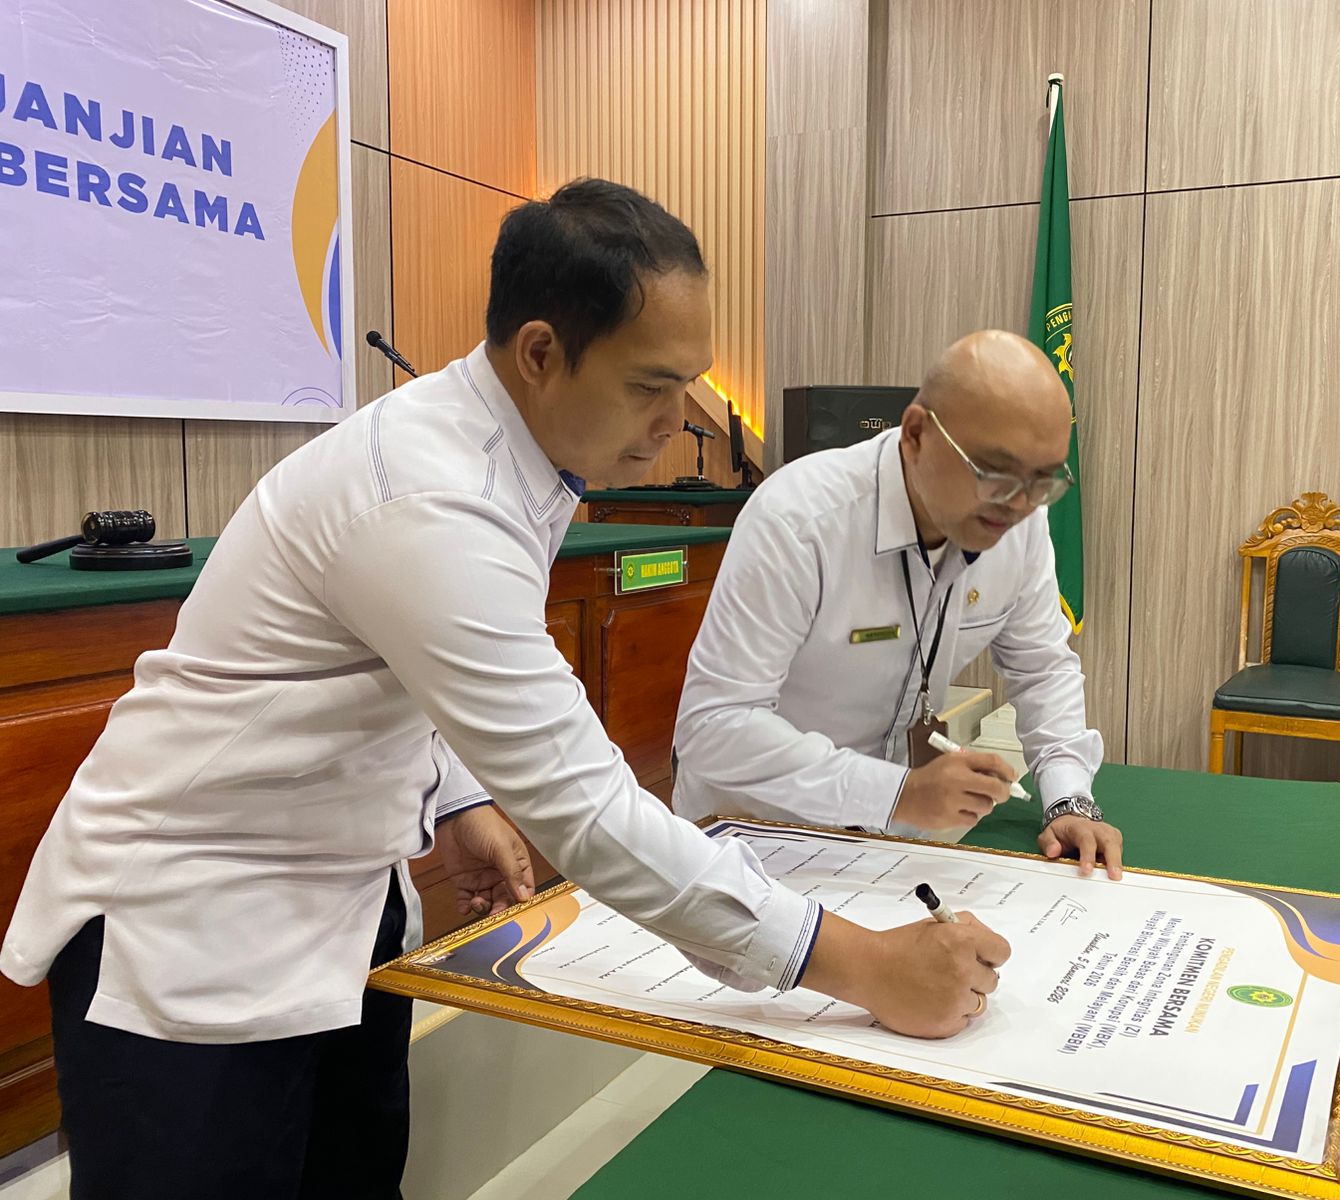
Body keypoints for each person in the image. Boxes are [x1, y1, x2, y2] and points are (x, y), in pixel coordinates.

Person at [0, 180, 1009, 1200]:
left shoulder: (510, 456)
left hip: (337, 909)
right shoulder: (428, 493)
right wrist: (858, 963)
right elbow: (586, 806)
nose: (676, 421)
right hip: (191, 927)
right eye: (651, 386)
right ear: (539, 352)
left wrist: (459, 797)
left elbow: (404, 661)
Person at [674, 330, 1123, 875]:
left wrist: (1068, 798)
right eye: (996, 474)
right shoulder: (799, 521)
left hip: (887, 848)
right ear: (915, 434)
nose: (1019, 504)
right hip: (753, 837)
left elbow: (1042, 669)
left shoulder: (1019, 526)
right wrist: (894, 792)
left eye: (1043, 481)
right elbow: (714, 726)